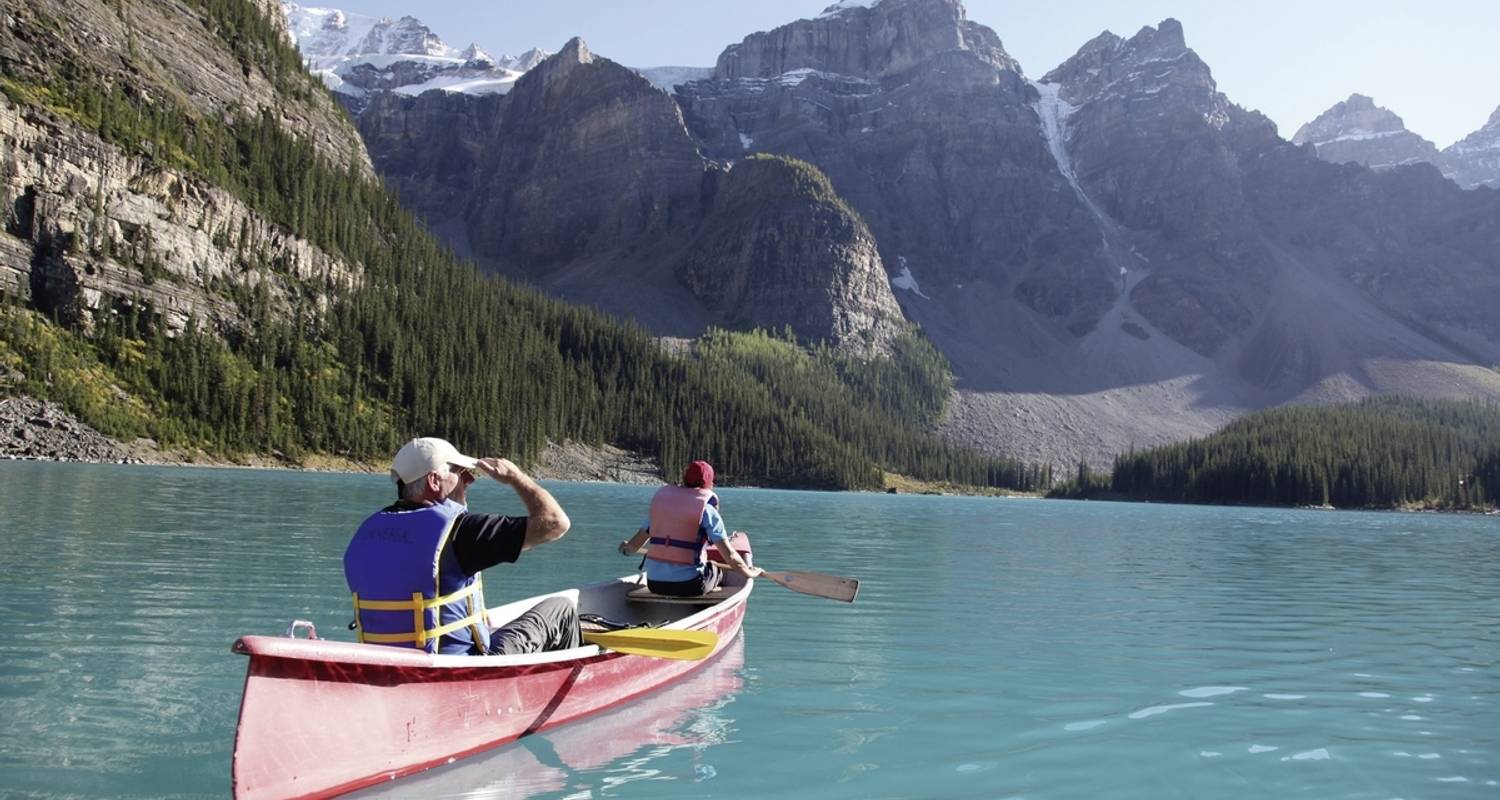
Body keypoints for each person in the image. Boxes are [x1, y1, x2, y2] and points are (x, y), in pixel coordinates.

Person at [344, 436, 580, 655]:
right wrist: (515, 477)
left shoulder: (366, 532)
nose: (470, 479)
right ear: (434, 481)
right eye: (460, 472)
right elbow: (556, 522)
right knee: (562, 609)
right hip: (462, 665)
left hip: (394, 663)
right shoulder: (462, 530)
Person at [617, 460, 761, 596]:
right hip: (690, 585)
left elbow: (633, 547)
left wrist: (625, 548)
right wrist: (750, 572)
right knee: (716, 570)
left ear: (684, 479)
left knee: (708, 567)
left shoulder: (661, 507)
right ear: (708, 484)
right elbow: (729, 556)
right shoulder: (707, 511)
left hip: (655, 584)